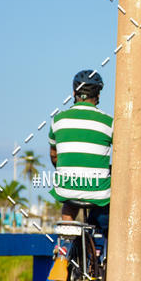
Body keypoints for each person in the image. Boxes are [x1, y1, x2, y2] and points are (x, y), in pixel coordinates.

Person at [48, 70, 113, 234]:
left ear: (74, 93)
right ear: (98, 95)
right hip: (98, 192)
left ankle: (66, 239)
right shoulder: (109, 122)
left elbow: (53, 155)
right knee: (108, 202)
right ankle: (101, 240)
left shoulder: (58, 120)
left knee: (69, 198)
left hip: (66, 189)